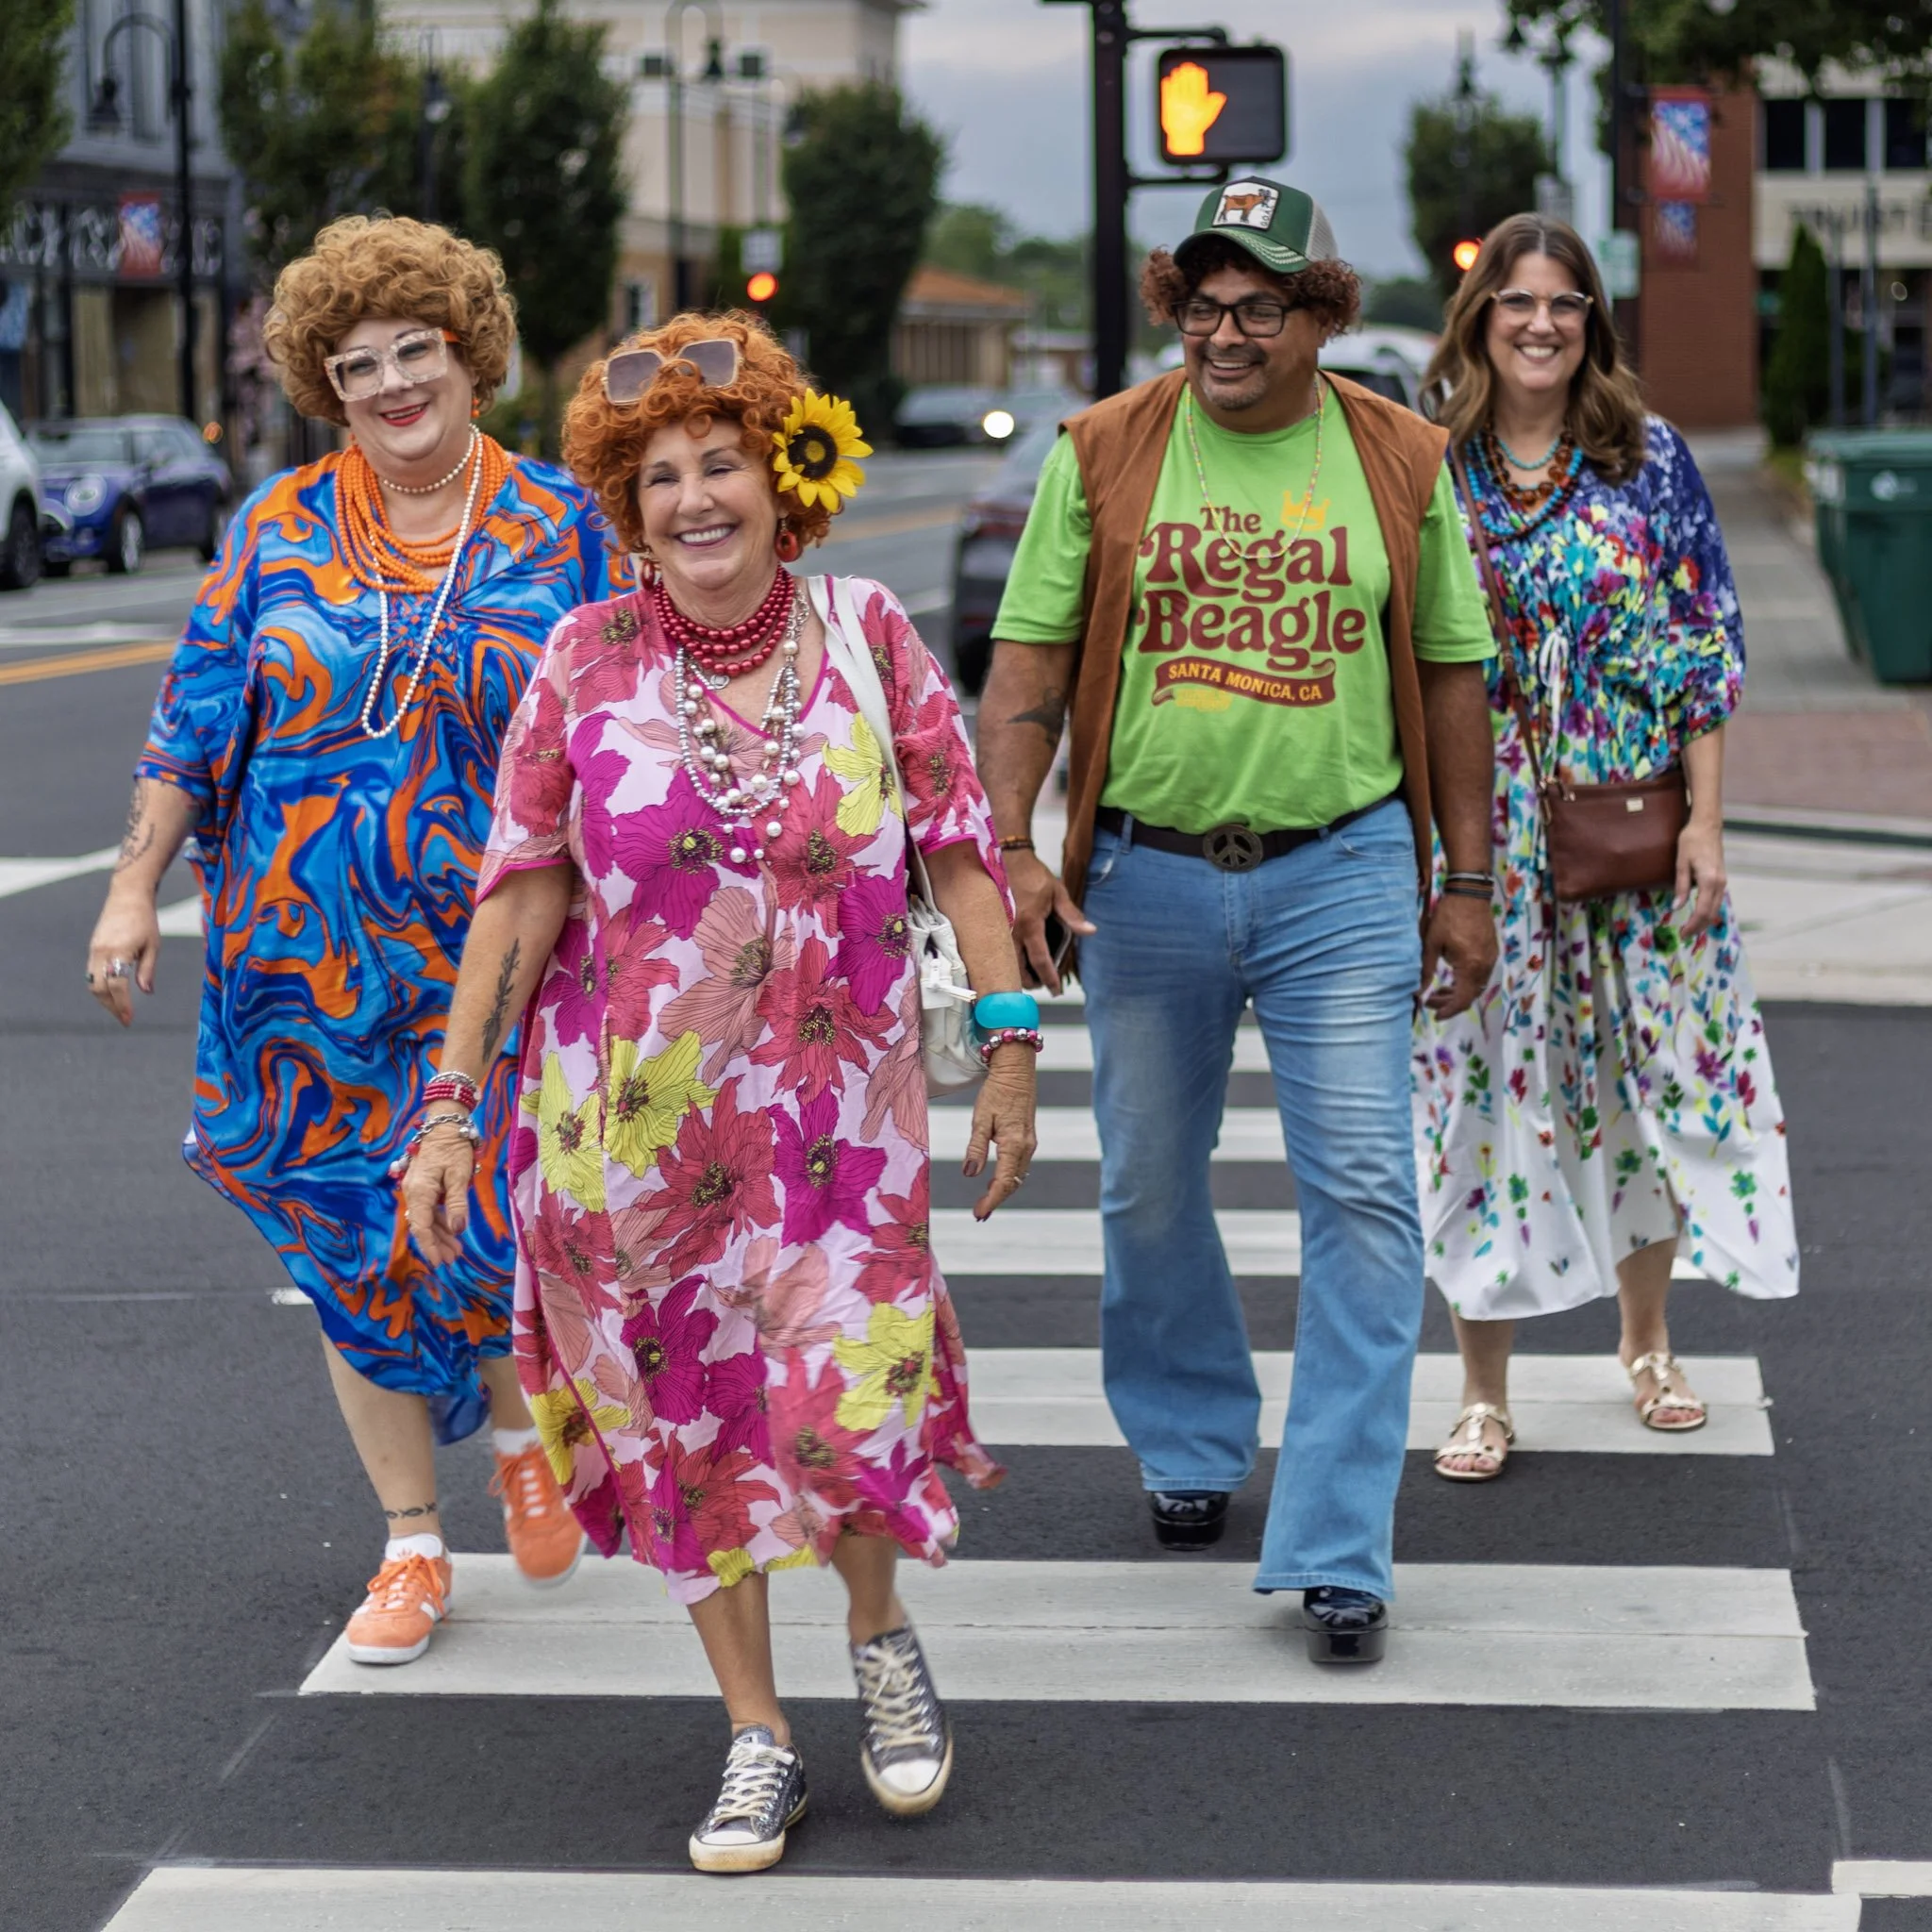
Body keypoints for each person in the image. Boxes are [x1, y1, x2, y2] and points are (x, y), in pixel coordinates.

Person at [399, 312, 1037, 1874]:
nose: (694, 500)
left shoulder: (873, 635)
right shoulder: (584, 661)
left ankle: (878, 1638)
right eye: (661, 476)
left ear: (786, 476)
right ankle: (758, 1734)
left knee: (850, 1405)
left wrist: (1011, 1053)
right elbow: (519, 899)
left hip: (842, 1128)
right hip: (635, 1131)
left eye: (724, 465)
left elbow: (961, 852)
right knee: (690, 1436)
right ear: (627, 505)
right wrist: (452, 1110)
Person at [85, 215, 623, 1663]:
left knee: (495, 1228)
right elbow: (194, 726)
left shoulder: (568, 523)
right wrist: (138, 888)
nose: (391, 384)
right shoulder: (276, 529)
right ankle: (409, 1542)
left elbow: (624, 745)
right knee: (347, 1241)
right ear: (326, 385)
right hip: (298, 961)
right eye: (356, 363)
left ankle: (518, 1427)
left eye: (414, 352)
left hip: (500, 959)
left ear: (468, 355)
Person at [977, 177, 1498, 1665]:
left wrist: (1466, 879)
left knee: (1365, 1197)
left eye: (1258, 306)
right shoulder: (1105, 450)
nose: (1224, 333)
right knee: (1146, 1181)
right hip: (1147, 876)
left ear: (1317, 316)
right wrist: (1009, 846)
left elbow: (1453, 669)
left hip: (1342, 870)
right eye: (1202, 306)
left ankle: (1337, 1540)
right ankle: (1192, 1438)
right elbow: (1029, 656)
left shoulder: (1399, 457)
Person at [1413, 214, 1799, 1481]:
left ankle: (1647, 1346)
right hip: (1483, 844)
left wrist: (1710, 827)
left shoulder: (1651, 461)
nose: (1540, 324)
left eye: (1564, 304)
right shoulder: (1434, 468)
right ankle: (1482, 1391)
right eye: (1515, 302)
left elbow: (1704, 651)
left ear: (1594, 323)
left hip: (1631, 819)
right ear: (1479, 321)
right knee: (1478, 1101)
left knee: (1645, 1089)